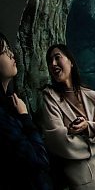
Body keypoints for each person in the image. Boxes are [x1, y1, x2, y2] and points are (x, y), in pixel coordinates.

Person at [41, 44, 95, 190]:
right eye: (49, 61)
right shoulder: (50, 98)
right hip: (84, 177)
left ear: (71, 61)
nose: (53, 63)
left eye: (57, 57)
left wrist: (87, 127)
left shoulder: (89, 95)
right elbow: (57, 139)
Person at [0, 33, 52, 190]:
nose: (11, 54)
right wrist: (25, 117)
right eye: (3, 50)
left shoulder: (9, 102)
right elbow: (38, 160)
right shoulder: (3, 116)